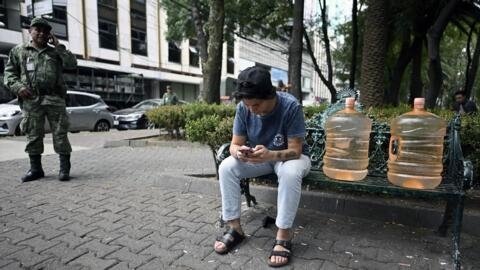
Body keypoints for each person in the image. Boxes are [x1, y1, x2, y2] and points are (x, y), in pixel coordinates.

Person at [213, 66, 311, 267]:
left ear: (271, 95)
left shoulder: (290, 106)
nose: (252, 110)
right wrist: (239, 152)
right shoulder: (244, 108)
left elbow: (296, 151)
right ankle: (235, 229)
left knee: (290, 172)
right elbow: (234, 144)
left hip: (291, 158)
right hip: (262, 159)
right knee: (227, 166)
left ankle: (283, 235)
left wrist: (271, 154)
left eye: (256, 105)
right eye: (247, 105)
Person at [3, 17, 77, 182]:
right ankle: (36, 169)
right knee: (33, 133)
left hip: (54, 97)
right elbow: (9, 74)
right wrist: (18, 87)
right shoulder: (18, 51)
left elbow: (72, 64)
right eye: (38, 29)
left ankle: (64, 169)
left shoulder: (54, 52)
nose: (42, 33)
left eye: (45, 30)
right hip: (31, 98)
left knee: (60, 133)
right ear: (30, 31)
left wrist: (59, 47)